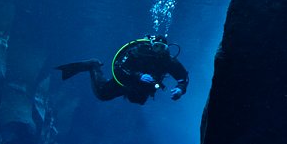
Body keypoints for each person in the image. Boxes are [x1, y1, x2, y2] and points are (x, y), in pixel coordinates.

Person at [56, 36, 188, 106]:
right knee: (102, 94)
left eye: (162, 48)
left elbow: (183, 78)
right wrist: (138, 76)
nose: (158, 51)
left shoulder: (169, 61)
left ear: (167, 49)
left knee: (138, 100)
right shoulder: (139, 52)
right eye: (156, 47)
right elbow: (119, 67)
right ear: (151, 46)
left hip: (140, 89)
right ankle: (93, 65)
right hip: (127, 81)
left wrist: (180, 89)